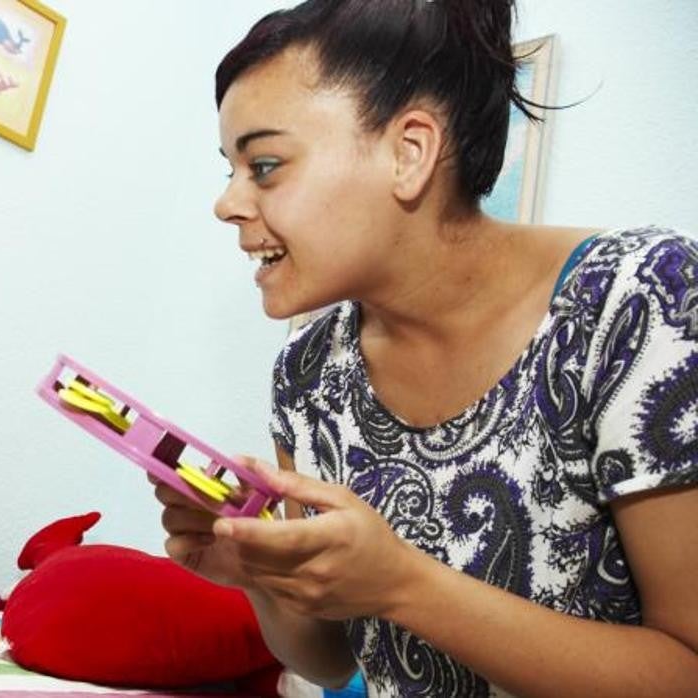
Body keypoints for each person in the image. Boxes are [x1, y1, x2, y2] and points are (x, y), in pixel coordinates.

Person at [154, 1, 698, 696]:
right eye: (230, 169)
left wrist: (405, 586)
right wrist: (261, 573)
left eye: (263, 165)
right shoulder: (308, 374)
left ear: (409, 152)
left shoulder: (635, 300)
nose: (226, 203)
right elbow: (329, 660)